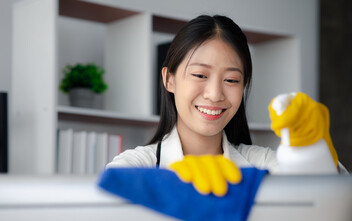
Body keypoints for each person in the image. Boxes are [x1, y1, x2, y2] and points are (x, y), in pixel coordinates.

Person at [106, 15, 279, 173]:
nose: (214, 94)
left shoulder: (264, 164)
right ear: (169, 80)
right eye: (199, 75)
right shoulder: (135, 166)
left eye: (231, 80)